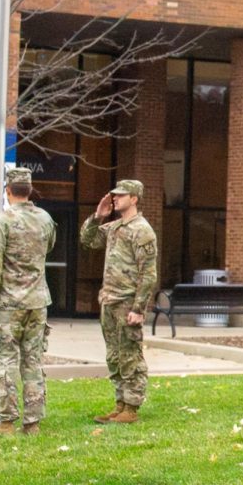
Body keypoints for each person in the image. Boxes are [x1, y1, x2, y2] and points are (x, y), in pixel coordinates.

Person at [0, 167, 56, 435]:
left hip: (8, 305)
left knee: (5, 363)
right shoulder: (45, 219)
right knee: (33, 362)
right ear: (29, 190)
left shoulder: (2, 222)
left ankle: (6, 422)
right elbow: (48, 249)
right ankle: (33, 422)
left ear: (8, 191)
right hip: (37, 302)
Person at [79, 179, 158, 424]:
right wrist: (98, 216)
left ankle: (131, 407)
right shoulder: (115, 228)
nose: (115, 199)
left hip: (127, 302)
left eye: (121, 196)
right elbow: (87, 240)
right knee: (114, 355)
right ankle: (120, 403)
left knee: (130, 354)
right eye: (114, 195)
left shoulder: (142, 230)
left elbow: (148, 274)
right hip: (110, 301)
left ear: (134, 198)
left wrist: (138, 308)